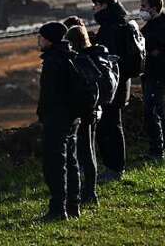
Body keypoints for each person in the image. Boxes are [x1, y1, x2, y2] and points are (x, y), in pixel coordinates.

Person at [90, 0, 137, 182]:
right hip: (120, 84)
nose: (94, 9)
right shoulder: (121, 22)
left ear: (104, 5)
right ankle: (114, 167)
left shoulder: (111, 28)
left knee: (110, 128)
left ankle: (114, 169)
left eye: (96, 5)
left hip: (111, 86)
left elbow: (107, 58)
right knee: (113, 125)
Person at [37, 21, 81, 221]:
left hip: (57, 118)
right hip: (72, 117)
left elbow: (48, 95)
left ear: (49, 39)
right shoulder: (69, 56)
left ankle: (57, 209)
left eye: (41, 36)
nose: (39, 40)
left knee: (55, 165)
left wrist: (43, 116)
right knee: (71, 161)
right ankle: (74, 206)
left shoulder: (53, 61)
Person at [64, 24, 103, 208]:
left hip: (84, 114)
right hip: (94, 112)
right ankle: (90, 191)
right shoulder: (93, 56)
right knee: (90, 152)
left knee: (85, 154)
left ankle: (88, 192)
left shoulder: (80, 61)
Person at [139, 0, 165, 162]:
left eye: (144, 6)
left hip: (156, 75)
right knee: (158, 110)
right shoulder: (154, 26)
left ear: (154, 8)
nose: (141, 10)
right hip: (151, 75)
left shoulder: (160, 28)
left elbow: (157, 52)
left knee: (151, 112)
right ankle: (162, 147)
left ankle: (157, 151)